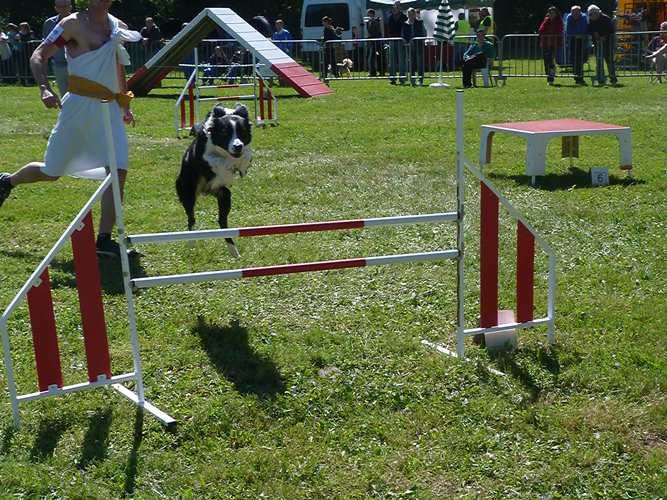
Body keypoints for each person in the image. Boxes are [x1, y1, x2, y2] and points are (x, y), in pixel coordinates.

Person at [0, 0, 141, 258]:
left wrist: (125, 102)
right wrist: (44, 86)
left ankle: (104, 240)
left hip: (108, 108)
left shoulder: (119, 26)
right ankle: (7, 181)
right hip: (78, 108)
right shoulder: (71, 24)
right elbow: (39, 55)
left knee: (118, 171)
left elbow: (118, 65)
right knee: (51, 171)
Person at [43, 0, 73, 97]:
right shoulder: (49, 23)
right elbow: (45, 44)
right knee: (64, 95)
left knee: (79, 95)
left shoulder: (78, 21)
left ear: (70, 7)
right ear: (56, 8)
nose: (63, 8)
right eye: (60, 6)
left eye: (66, 6)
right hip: (58, 64)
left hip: (76, 64)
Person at [587, 4, 617, 85]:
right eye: (590, 14)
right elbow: (590, 29)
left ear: (597, 12)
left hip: (608, 44)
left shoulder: (605, 18)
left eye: (593, 13)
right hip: (597, 44)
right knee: (599, 61)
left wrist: (604, 36)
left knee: (610, 61)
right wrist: (594, 34)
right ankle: (601, 78)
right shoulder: (591, 20)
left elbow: (611, 30)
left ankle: (613, 78)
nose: (592, 15)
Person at [538, 6, 564, 86]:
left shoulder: (559, 21)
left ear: (556, 13)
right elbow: (541, 30)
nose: (551, 14)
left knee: (550, 59)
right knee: (546, 60)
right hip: (545, 43)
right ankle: (549, 74)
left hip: (555, 43)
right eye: (550, 13)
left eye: (553, 13)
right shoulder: (546, 20)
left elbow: (559, 31)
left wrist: (549, 33)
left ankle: (550, 78)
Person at [401, 7, 425, 86]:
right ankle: (412, 79)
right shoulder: (404, 24)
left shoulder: (419, 22)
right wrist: (405, 40)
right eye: (409, 14)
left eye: (412, 14)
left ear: (415, 14)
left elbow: (422, 33)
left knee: (420, 63)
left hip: (419, 45)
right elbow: (403, 34)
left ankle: (420, 80)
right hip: (409, 46)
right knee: (411, 63)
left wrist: (415, 39)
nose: (411, 15)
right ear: (407, 14)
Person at [565, 5, 588, 85]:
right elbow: (568, 29)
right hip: (572, 40)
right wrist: (574, 35)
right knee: (573, 59)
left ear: (580, 12)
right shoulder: (569, 17)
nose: (574, 13)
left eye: (576, 12)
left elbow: (584, 28)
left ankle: (580, 77)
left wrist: (580, 34)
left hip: (582, 41)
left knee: (580, 59)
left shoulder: (584, 17)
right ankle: (576, 76)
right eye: (573, 12)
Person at [386, 1, 407, 84]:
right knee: (392, 60)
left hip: (401, 40)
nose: (396, 8)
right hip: (392, 40)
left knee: (402, 60)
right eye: (395, 7)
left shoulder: (404, 17)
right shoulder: (390, 17)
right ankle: (392, 78)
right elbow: (389, 29)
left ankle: (402, 78)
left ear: (400, 8)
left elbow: (405, 29)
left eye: (398, 6)